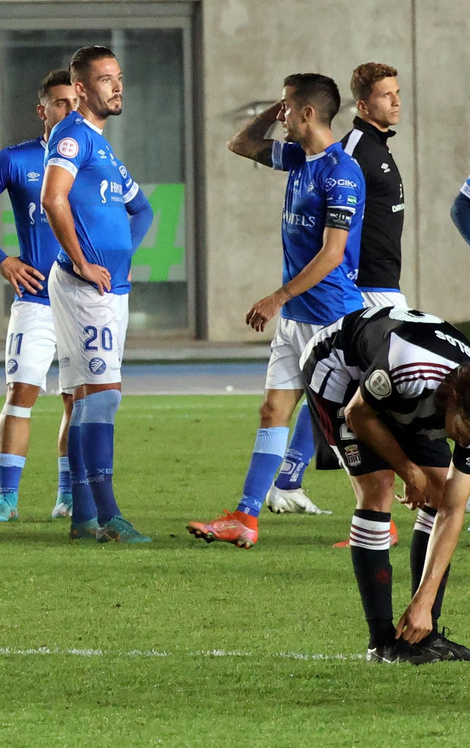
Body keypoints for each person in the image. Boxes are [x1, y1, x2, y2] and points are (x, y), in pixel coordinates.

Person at [186, 74, 366, 550]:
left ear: (308, 114)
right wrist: (274, 108)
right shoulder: (295, 159)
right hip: (295, 320)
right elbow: (240, 143)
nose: (281, 114)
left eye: (288, 107)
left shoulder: (341, 171)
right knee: (273, 410)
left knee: (353, 423)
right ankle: (245, 517)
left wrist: (276, 297)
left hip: (330, 318)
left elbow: (331, 255)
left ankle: (379, 522)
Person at [269, 62, 409, 518]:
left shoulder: (378, 150)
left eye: (398, 93)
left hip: (384, 287)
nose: (397, 101)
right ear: (363, 105)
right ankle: (410, 489)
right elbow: (336, 239)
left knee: (347, 393)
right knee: (375, 396)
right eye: (388, 95)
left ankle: (291, 479)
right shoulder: (347, 153)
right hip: (361, 291)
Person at [300, 304, 470, 663]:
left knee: (439, 495)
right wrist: (409, 471)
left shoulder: (464, 406)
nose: (466, 444)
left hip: (411, 396)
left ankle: (423, 634)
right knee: (377, 488)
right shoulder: (413, 370)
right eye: (466, 433)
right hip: (341, 372)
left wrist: (423, 601)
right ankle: (381, 642)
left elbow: (454, 508)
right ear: (452, 400)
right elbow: (357, 414)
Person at [40, 46, 155, 543]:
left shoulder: (103, 148)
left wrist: (120, 254)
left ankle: (84, 516)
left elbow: (143, 208)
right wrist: (87, 262)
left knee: (89, 395)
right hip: (87, 288)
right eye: (106, 79)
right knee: (103, 395)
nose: (117, 86)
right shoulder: (72, 138)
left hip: (109, 287)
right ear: (82, 89)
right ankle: (108, 516)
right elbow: (52, 197)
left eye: (120, 77)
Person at [0, 70, 78, 522]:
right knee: (20, 392)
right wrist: (3, 260)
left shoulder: (93, 157)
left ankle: (66, 496)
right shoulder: (15, 159)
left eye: (74, 102)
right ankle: (7, 498)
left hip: (82, 301)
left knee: (76, 400)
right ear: (42, 109)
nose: (69, 110)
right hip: (36, 301)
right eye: (60, 103)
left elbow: (135, 210)